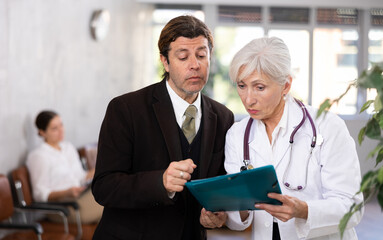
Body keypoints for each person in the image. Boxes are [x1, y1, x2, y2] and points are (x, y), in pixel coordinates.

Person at [91, 15, 234, 240]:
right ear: (165, 62)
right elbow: (104, 187)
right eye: (183, 56)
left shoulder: (223, 117)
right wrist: (160, 183)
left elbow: (220, 185)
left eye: (201, 55)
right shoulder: (125, 109)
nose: (194, 64)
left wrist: (218, 214)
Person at [222, 37, 364, 239]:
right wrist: (231, 211)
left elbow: (352, 208)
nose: (248, 98)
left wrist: (304, 210)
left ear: (286, 85)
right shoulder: (237, 135)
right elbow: (239, 217)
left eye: (259, 87)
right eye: (242, 86)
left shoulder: (328, 126)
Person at [26, 110, 103, 224]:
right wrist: (66, 192)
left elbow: (80, 177)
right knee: (112, 202)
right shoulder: (38, 156)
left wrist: (99, 170)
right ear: (42, 132)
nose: (61, 130)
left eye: (61, 124)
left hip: (81, 198)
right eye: (54, 128)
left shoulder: (68, 148)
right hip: (64, 208)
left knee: (110, 204)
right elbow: (39, 194)